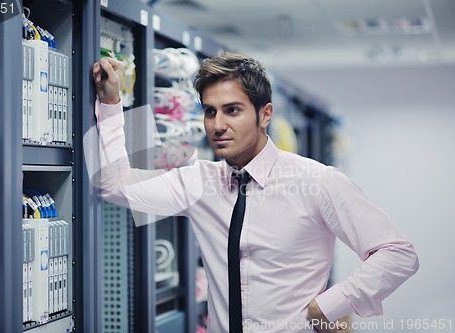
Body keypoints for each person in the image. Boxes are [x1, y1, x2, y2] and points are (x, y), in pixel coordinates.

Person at [90, 53, 419, 333]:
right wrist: (110, 103)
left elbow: (398, 253)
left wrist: (330, 304)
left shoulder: (316, 181)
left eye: (232, 110)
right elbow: (112, 186)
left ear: (265, 114)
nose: (217, 125)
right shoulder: (198, 183)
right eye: (210, 111)